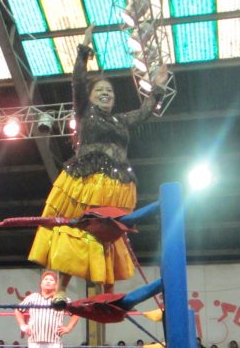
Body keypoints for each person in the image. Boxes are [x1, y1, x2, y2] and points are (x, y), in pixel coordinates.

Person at [27, 24, 168, 304]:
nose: (106, 93)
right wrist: (84, 49)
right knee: (75, 230)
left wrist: (158, 89)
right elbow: (78, 82)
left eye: (110, 91)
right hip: (86, 180)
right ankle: (62, 290)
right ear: (90, 97)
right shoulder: (85, 111)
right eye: (100, 90)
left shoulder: (120, 120)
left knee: (109, 235)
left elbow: (144, 112)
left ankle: (108, 295)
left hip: (117, 185)